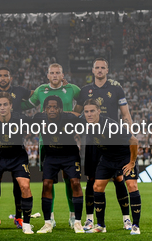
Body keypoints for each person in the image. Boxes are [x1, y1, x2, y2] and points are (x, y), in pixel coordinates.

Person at [73, 58, 134, 231]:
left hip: (113, 142)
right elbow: (77, 114)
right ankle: (90, 219)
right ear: (92, 71)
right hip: (92, 142)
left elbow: (125, 114)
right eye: (97, 68)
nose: (99, 70)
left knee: (119, 179)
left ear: (107, 70)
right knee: (92, 180)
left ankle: (126, 219)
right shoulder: (84, 91)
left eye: (103, 68)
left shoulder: (116, 89)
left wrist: (129, 134)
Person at [21, 63, 81, 229]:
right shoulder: (41, 90)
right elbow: (27, 105)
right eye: (52, 73)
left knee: (71, 180)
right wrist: (11, 100)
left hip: (68, 142)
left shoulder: (72, 89)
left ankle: (73, 216)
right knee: (48, 180)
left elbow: (85, 100)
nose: (55, 75)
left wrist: (76, 113)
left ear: (63, 75)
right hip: (46, 142)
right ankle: (51, 218)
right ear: (47, 75)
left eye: (58, 73)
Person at [0, 67, 31, 228]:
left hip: (17, 155)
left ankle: (20, 218)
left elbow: (39, 122)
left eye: (5, 105)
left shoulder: (21, 118)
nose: (2, 107)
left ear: (11, 105)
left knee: (22, 185)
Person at [82, 99, 141, 235]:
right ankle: (100, 225)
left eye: (92, 111)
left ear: (99, 111)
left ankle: (135, 225)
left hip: (124, 157)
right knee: (97, 187)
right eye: (86, 112)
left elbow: (134, 140)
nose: (89, 114)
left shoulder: (110, 125)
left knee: (131, 185)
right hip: (107, 159)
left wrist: (132, 162)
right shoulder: (86, 123)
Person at [33, 96, 85, 234]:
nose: (52, 109)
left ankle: (78, 222)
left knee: (75, 182)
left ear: (60, 109)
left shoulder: (70, 118)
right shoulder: (39, 118)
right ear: (44, 109)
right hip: (51, 155)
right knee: (46, 184)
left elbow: (86, 121)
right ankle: (47, 223)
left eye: (55, 107)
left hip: (70, 155)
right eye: (49, 107)